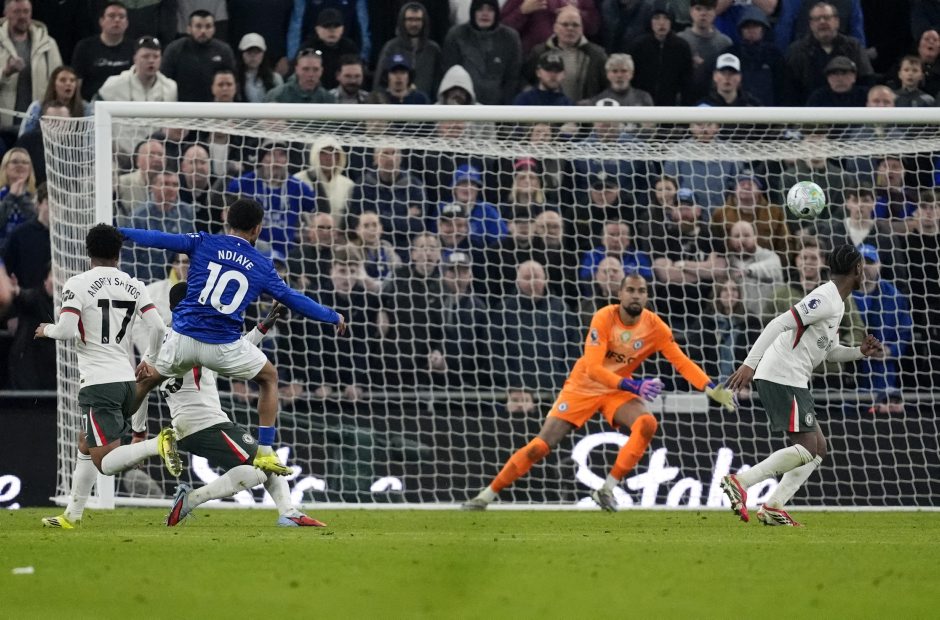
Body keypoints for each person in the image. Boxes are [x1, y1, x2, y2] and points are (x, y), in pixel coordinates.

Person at [463, 272, 736, 511]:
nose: (636, 295)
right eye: (630, 290)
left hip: (616, 389)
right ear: (620, 294)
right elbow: (593, 368)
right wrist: (634, 385)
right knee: (540, 446)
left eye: (641, 291)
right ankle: (486, 495)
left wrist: (711, 388)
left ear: (647, 296)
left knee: (647, 424)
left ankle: (606, 490)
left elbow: (682, 362)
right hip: (584, 385)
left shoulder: (655, 327)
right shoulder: (604, 317)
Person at [119, 198, 347, 477]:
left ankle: (115, 428)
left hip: (183, 339)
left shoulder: (203, 241)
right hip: (222, 346)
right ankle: (265, 450)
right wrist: (331, 316)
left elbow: (158, 238)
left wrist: (122, 232)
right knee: (269, 377)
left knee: (146, 380)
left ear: (227, 221)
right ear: (257, 228)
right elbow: (294, 298)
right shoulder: (261, 265)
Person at [723, 245, 885, 527]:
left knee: (818, 448)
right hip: (781, 373)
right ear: (857, 269)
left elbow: (829, 353)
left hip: (792, 377)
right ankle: (740, 481)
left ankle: (774, 507)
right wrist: (750, 364)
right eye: (863, 267)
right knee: (808, 447)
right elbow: (778, 323)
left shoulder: (838, 303)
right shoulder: (825, 298)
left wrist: (859, 352)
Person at [36, 223, 177, 529]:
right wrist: (149, 359)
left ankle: (156, 445)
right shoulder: (135, 285)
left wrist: (46, 330)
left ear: (88, 251)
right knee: (85, 443)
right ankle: (71, 516)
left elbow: (66, 330)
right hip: (126, 381)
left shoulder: (78, 284)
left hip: (98, 384)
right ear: (119, 252)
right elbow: (158, 327)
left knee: (105, 463)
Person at [160, 284, 326, 527]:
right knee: (260, 466)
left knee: (266, 460)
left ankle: (289, 512)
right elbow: (229, 353)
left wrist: (262, 328)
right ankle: (190, 500)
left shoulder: (164, 340)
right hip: (206, 424)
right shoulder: (195, 335)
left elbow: (230, 351)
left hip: (189, 424)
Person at [442, 0, 522, 105]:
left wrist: (504, 107)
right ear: (473, 12)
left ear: (496, 13)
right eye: (480, 9)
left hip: (499, 108)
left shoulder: (510, 38)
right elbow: (450, 74)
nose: (485, 14)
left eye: (490, 10)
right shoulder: (457, 35)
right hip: (464, 105)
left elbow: (512, 78)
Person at [0, 0, 63, 129]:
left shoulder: (48, 44)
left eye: (26, 11)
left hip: (38, 125)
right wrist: (5, 72)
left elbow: (58, 84)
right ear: (6, 13)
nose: (22, 16)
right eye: (17, 11)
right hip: (3, 124)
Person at [523, 6, 607, 103]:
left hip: (584, 111)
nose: (570, 29)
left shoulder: (596, 55)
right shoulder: (539, 52)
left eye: (575, 25)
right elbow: (524, 81)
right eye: (565, 24)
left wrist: (592, 102)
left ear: (582, 29)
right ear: (555, 28)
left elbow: (608, 87)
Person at [628, 1, 694, 106]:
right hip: (642, 103)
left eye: (666, 18)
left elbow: (687, 80)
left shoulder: (681, 47)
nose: (661, 23)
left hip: (671, 103)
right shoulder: (639, 45)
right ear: (650, 21)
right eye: (656, 18)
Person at [160, 9, 235, 102]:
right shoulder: (174, 49)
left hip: (214, 106)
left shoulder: (223, 50)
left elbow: (231, 82)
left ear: (214, 29)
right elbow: (164, 82)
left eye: (208, 26)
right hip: (181, 106)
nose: (203, 31)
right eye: (198, 26)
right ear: (189, 29)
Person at [373, 2, 443, 98]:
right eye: (410, 19)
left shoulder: (433, 49)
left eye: (418, 20)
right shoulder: (391, 47)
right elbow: (379, 82)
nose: (414, 24)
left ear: (424, 22)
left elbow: (438, 82)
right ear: (402, 21)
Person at [71, 2, 135, 102]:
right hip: (91, 105)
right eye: (111, 16)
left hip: (125, 104)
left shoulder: (134, 48)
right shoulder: (84, 47)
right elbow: (76, 82)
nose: (117, 20)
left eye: (121, 17)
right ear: (101, 21)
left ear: (127, 23)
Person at [679, 0, 733, 103]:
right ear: (691, 11)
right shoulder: (680, 41)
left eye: (708, 9)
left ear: (714, 12)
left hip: (715, 102)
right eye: (698, 9)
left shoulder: (725, 43)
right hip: (684, 101)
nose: (703, 14)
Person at [18, 65, 89, 137]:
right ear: (54, 85)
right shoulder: (37, 107)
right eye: (63, 80)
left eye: (72, 80)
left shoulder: (86, 108)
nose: (68, 83)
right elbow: (24, 136)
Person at [579, 53, 654, 107]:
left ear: (631, 73)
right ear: (607, 74)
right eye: (614, 71)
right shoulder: (598, 101)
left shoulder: (643, 98)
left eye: (624, 71)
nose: (619, 75)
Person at [264, 48, 334, 103]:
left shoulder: (329, 100)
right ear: (297, 69)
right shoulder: (277, 96)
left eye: (316, 69)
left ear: (321, 71)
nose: (311, 74)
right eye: (305, 69)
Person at [234, 32, 283, 103]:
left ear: (263, 54)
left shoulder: (275, 79)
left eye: (257, 52)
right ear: (242, 54)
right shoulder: (234, 79)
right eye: (249, 52)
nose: (253, 56)